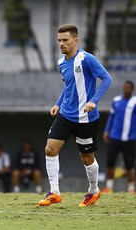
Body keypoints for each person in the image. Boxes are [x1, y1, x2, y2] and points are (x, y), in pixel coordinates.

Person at [38, 24, 112, 207]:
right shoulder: (61, 62)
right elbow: (69, 85)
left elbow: (107, 79)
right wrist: (58, 104)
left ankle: (94, 191)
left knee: (87, 158)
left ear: (75, 40)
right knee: (50, 149)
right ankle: (54, 193)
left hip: (85, 118)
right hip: (65, 115)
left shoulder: (86, 59)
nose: (61, 44)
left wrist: (93, 100)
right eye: (59, 41)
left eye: (65, 40)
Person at [103, 80, 136, 194]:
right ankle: (109, 187)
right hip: (114, 137)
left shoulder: (134, 102)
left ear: (132, 89)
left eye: (128, 88)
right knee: (110, 162)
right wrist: (107, 130)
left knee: (130, 164)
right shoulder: (116, 100)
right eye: (125, 87)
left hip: (129, 138)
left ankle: (131, 189)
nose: (126, 89)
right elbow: (111, 117)